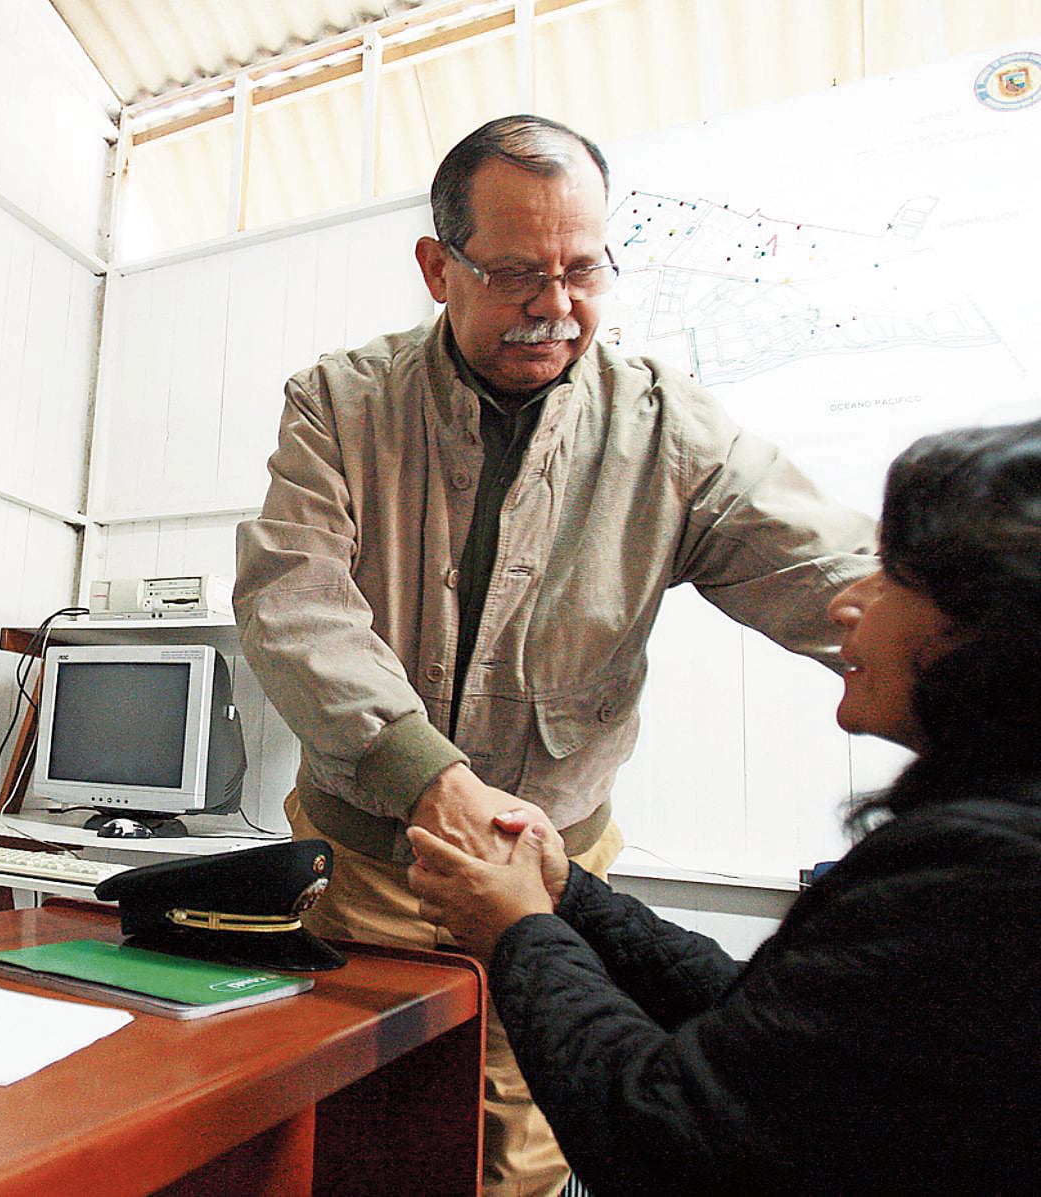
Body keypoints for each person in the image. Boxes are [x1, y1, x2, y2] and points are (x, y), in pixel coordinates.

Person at [232, 114, 877, 1195]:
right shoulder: (340, 404)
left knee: (511, 1158)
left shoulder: (671, 431)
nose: (557, 307)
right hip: (366, 867)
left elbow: (833, 575)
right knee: (353, 1136)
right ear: (439, 268)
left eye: (584, 271)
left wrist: (970, 640)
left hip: (554, 878)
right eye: (518, 274)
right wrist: (424, 779)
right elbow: (295, 602)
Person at [406, 419, 1041, 1195]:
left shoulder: (985, 878)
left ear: (991, 630)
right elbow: (767, 1029)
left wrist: (518, 931)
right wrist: (571, 896)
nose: (846, 602)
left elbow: (664, 1130)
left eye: (891, 574)